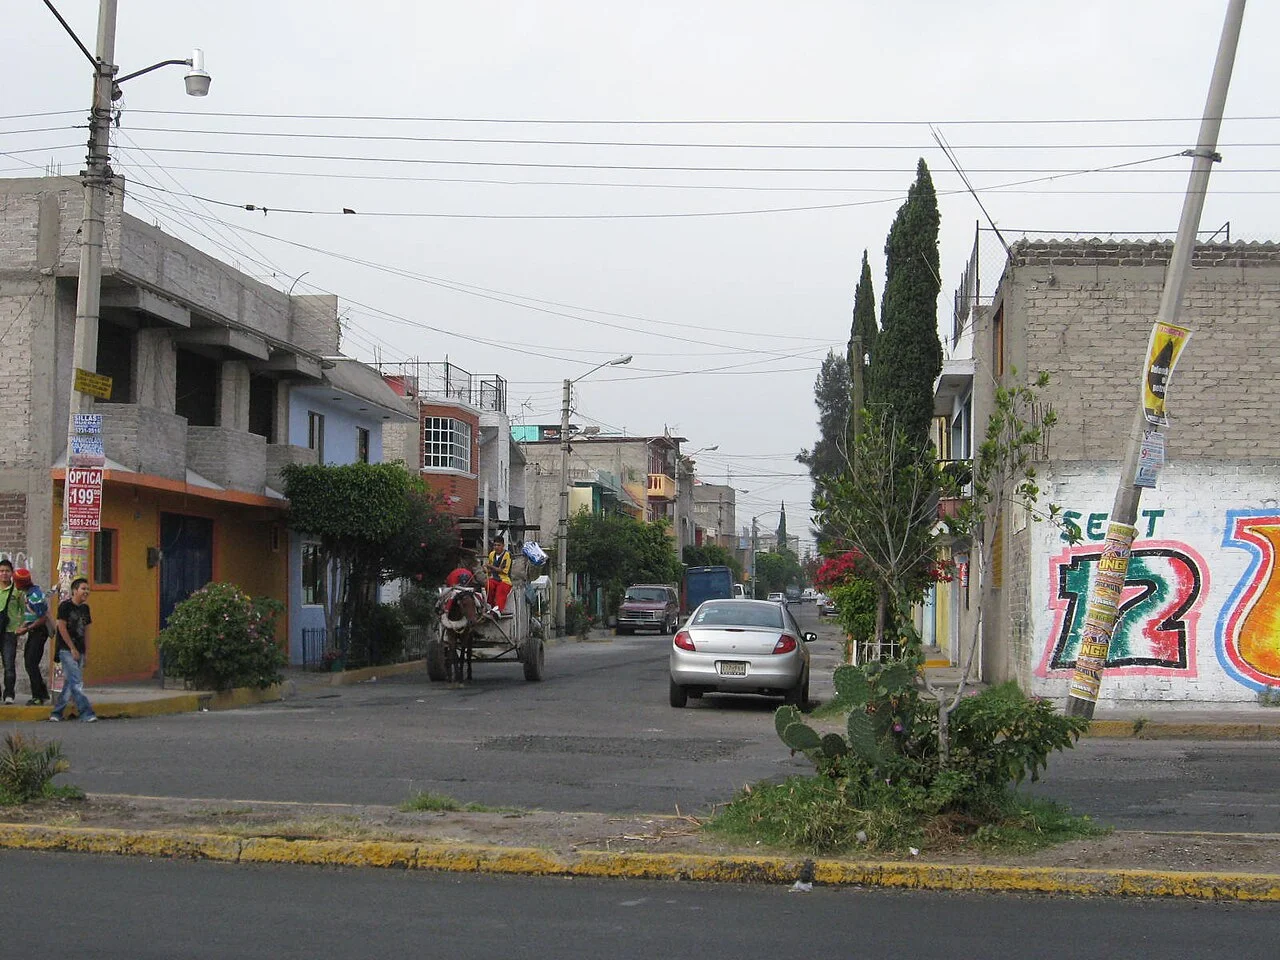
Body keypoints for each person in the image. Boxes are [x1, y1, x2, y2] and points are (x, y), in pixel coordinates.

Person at [49, 577, 97, 722]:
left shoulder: (85, 608)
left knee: (70, 683)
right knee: (76, 682)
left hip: (80, 650)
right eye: (83, 588)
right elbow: (61, 627)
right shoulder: (65, 606)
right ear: (74, 591)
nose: (86, 591)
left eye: (87, 589)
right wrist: (72, 648)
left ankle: (56, 713)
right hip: (66, 650)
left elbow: (87, 630)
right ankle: (87, 712)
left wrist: (85, 652)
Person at [12, 567, 52, 705]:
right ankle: (42, 693)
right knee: (30, 662)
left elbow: (42, 618)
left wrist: (27, 628)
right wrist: (24, 625)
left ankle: (38, 696)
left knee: (31, 663)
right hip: (34, 631)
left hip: (39, 632)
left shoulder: (34, 596)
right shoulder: (29, 593)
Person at [0, 559, 23, 704]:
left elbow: (24, 610)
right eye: (1, 571)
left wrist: (20, 627)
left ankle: (9, 694)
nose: (4, 574)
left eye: (7, 571)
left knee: (9, 664)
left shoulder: (17, 590)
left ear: (12, 573)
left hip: (9, 632)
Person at [484, 537, 513, 614]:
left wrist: (490, 567)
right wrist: (486, 569)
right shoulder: (491, 554)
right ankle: (490, 605)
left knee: (501, 590)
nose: (496, 547)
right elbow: (490, 570)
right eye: (495, 545)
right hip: (494, 578)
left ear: (503, 545)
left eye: (498, 545)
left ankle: (498, 609)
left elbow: (503, 570)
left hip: (504, 580)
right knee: (488, 585)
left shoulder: (507, 555)